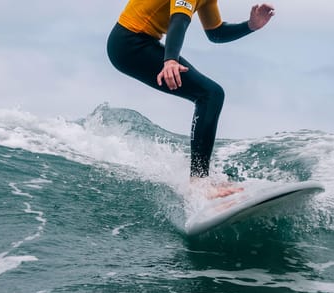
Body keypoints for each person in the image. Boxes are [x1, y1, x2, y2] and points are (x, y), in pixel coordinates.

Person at [107, 1, 275, 198]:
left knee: (210, 94)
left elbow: (216, 33)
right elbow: (179, 20)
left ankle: (200, 179)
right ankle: (198, 182)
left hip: (139, 42)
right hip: (128, 44)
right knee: (210, 94)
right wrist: (170, 60)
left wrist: (250, 26)